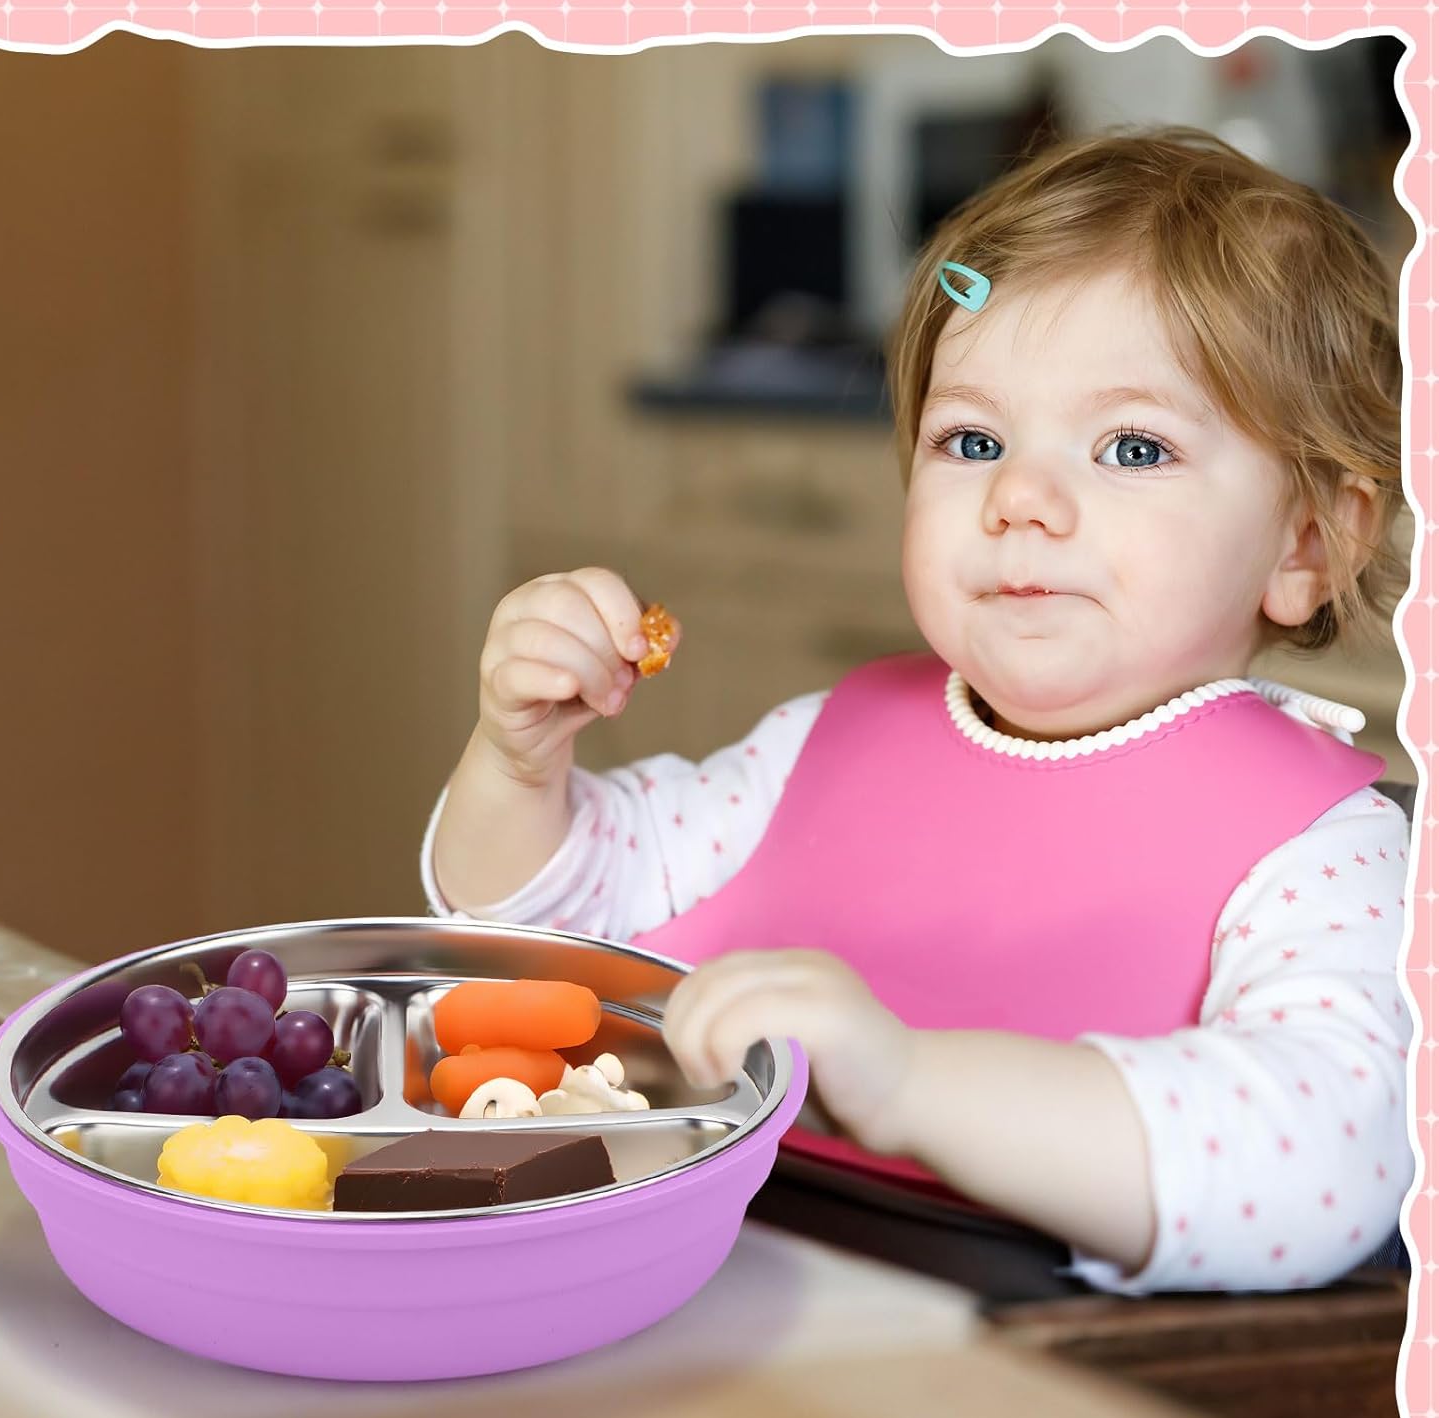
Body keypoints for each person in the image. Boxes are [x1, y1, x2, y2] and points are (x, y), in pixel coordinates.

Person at [424, 128, 1414, 1294]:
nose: (1021, 498)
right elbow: (541, 933)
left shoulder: (1323, 844)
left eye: (1132, 447)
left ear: (1310, 542)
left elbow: (1332, 1158)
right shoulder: (823, 742)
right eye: (974, 440)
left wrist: (909, 1084)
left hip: (1028, 1382)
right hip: (702, 1300)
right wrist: (520, 764)